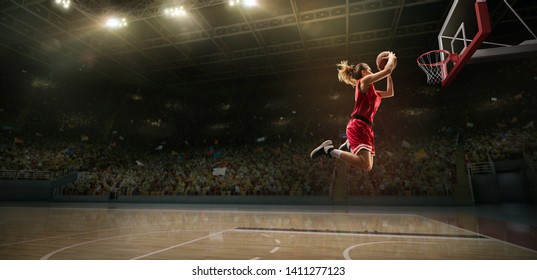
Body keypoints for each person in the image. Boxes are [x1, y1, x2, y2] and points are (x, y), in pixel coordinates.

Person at [310, 51, 397, 171]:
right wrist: (391, 59)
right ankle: (329, 150)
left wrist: (389, 72)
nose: (372, 72)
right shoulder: (364, 82)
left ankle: (348, 145)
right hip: (358, 125)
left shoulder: (373, 92)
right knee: (365, 165)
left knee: (368, 166)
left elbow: (390, 92)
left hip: (367, 127)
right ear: (363, 72)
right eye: (370, 69)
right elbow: (387, 70)